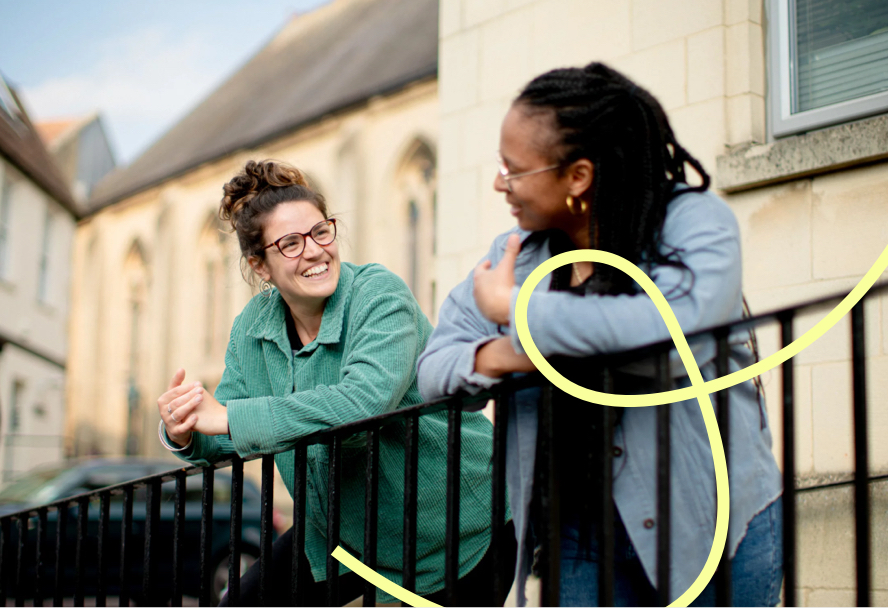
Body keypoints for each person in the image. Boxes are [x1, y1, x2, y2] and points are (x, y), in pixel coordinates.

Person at [417, 63, 783, 606]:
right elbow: (433, 373)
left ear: (578, 176)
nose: (500, 183)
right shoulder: (514, 254)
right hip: (579, 537)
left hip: (709, 521)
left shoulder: (693, 222)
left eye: (513, 169)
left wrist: (518, 310)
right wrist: (514, 356)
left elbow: (673, 336)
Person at [156, 160, 515, 606]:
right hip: (341, 533)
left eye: (320, 232)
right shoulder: (251, 328)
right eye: (289, 243)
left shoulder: (379, 295)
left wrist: (228, 417)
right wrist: (185, 430)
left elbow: (363, 403)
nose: (314, 251)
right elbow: (228, 433)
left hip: (454, 533)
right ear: (260, 265)